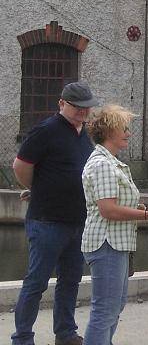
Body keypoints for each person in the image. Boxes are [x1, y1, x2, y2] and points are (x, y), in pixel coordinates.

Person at [11, 81, 99, 345]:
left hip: (77, 221)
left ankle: (65, 331)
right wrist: (38, 188)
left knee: (70, 280)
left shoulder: (84, 134)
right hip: (47, 220)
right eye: (77, 107)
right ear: (61, 104)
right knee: (36, 282)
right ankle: (23, 337)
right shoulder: (46, 130)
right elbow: (21, 165)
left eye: (87, 108)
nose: (83, 112)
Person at [81, 105, 148, 344]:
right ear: (109, 131)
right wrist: (146, 216)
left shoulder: (111, 162)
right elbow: (108, 209)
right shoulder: (103, 165)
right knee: (105, 311)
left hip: (116, 244)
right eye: (123, 128)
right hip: (107, 244)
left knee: (112, 307)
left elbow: (114, 204)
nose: (128, 133)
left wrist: (142, 209)